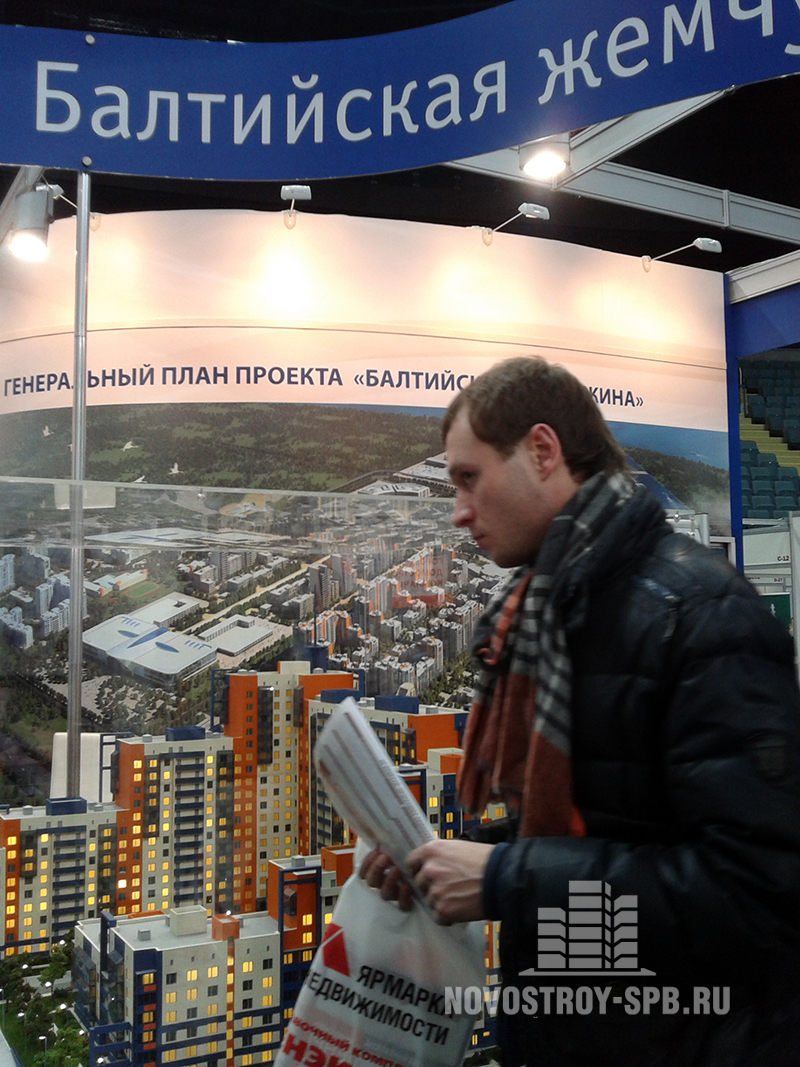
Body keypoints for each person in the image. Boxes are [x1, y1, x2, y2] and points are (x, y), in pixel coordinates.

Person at [361, 356, 800, 1067]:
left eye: (469, 478)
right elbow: (592, 823)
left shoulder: (703, 614)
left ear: (543, 450)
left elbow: (759, 891)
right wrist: (441, 862)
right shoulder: (542, 615)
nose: (458, 511)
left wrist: (505, 878)